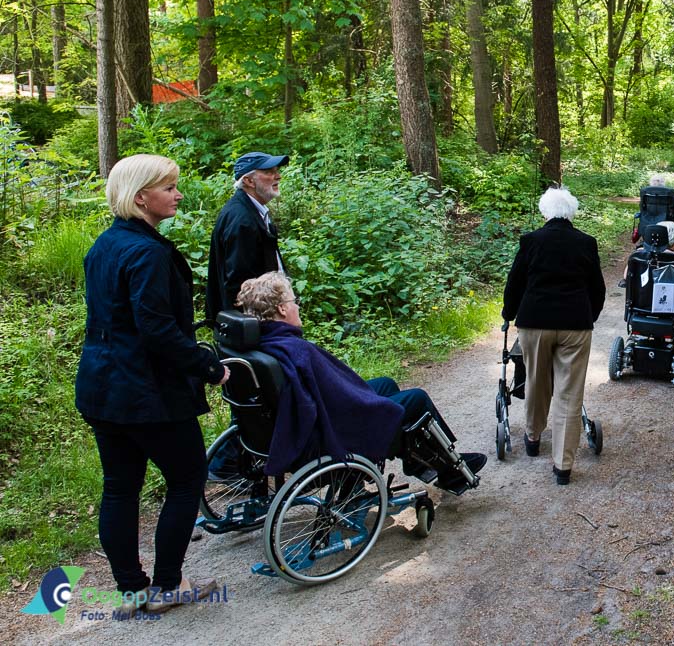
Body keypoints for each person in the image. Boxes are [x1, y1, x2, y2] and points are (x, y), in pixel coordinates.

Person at [77, 154, 229, 616]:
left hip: (101, 386)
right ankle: (167, 586)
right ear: (141, 197)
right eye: (169, 187)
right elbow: (156, 331)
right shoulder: (149, 253)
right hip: (146, 391)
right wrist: (209, 366)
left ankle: (132, 590)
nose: (178, 194)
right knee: (187, 479)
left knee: (120, 487)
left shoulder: (105, 244)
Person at [233, 273, 485, 491]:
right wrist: (373, 404)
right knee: (416, 398)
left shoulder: (264, 347)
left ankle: (416, 459)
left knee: (385, 384)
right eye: (293, 301)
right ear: (282, 309)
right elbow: (342, 399)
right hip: (328, 434)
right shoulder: (297, 350)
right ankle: (453, 468)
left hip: (297, 426)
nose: (297, 306)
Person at [501, 187, 606, 485]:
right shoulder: (586, 243)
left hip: (535, 323)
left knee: (536, 380)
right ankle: (563, 466)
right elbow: (597, 288)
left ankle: (533, 439)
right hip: (575, 324)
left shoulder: (531, 241)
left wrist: (509, 313)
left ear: (545, 212)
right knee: (569, 394)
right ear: (571, 213)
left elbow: (515, 283)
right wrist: (590, 316)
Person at [206, 151, 289, 323]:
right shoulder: (242, 220)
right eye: (268, 172)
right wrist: (249, 325)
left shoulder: (253, 211)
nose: (278, 176)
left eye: (276, 171)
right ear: (248, 181)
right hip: (253, 322)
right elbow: (239, 283)